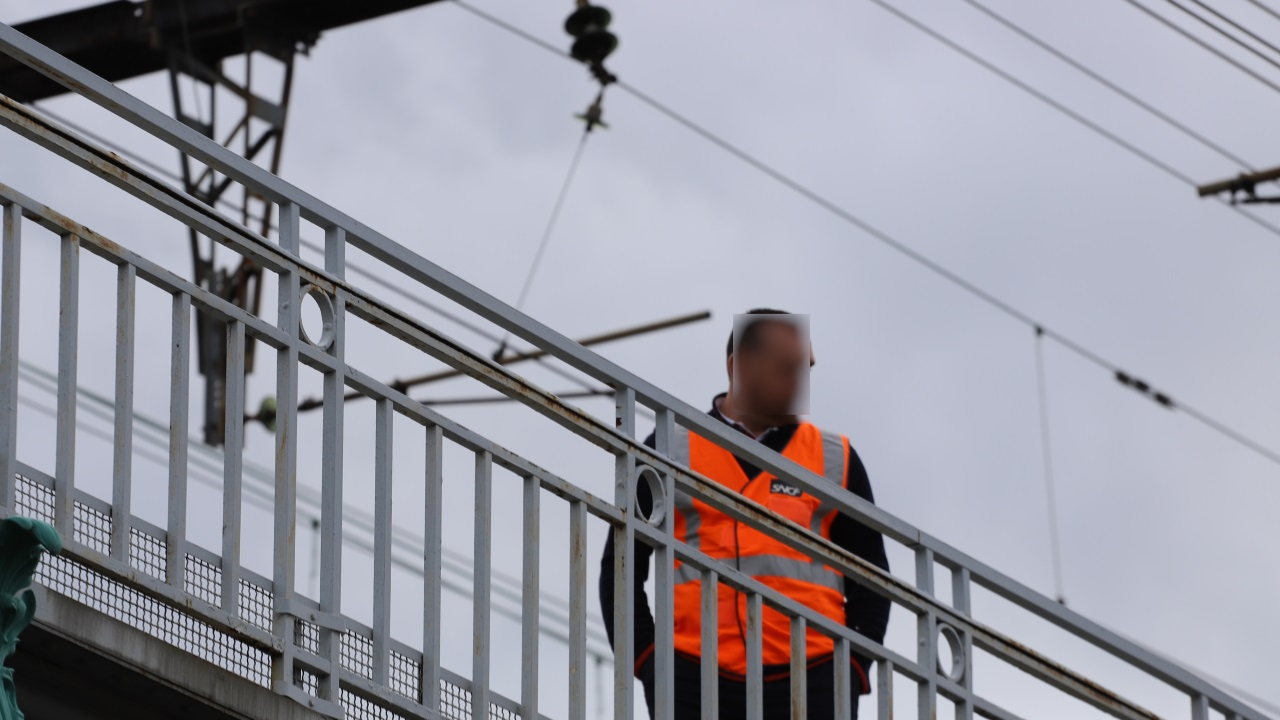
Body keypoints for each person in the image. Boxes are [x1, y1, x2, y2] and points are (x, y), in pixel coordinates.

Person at [599, 309, 891, 719]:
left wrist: (854, 666)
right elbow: (622, 561)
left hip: (814, 676)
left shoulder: (834, 458)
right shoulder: (668, 447)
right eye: (784, 368)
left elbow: (874, 578)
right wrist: (648, 658)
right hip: (691, 674)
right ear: (738, 366)